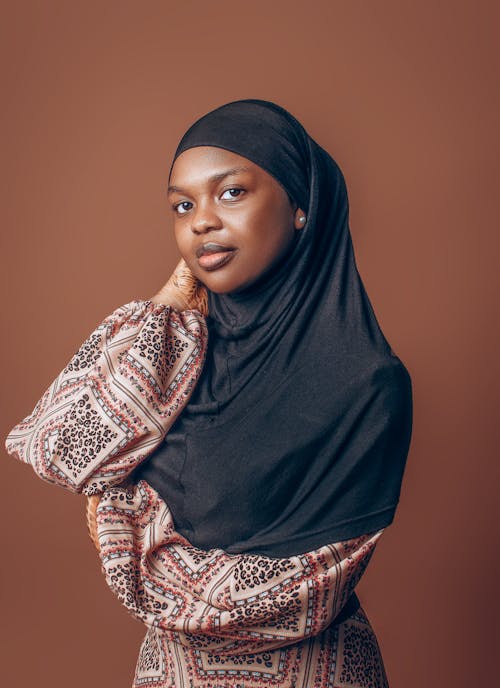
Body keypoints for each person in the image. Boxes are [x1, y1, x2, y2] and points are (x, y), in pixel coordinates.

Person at [5, 99, 413, 687]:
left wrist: (123, 527)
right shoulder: (170, 358)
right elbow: (61, 451)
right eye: (182, 205)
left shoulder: (367, 384)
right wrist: (171, 301)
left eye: (231, 193)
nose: (199, 222)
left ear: (303, 206)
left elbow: (291, 599)